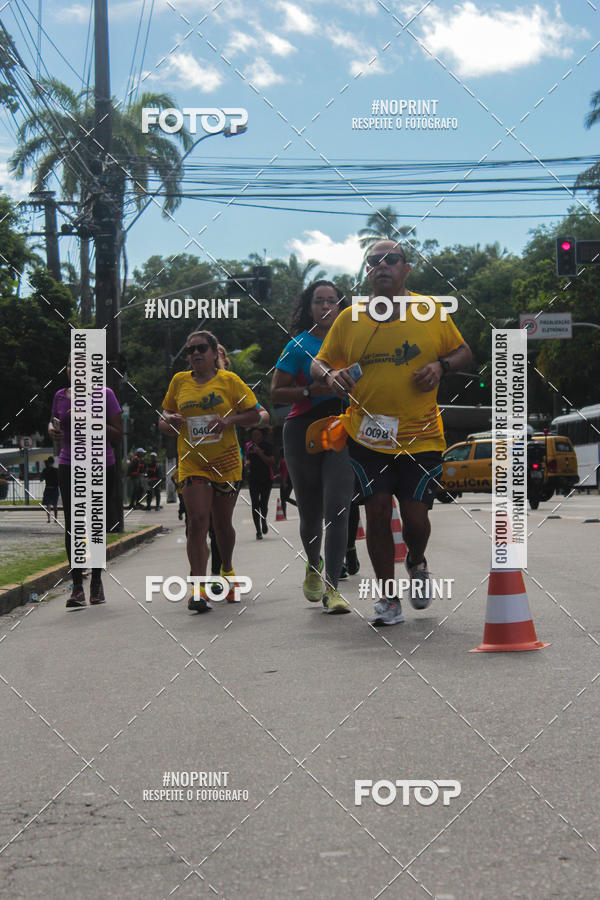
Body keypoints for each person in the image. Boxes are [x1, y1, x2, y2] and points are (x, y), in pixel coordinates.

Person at [311, 240, 472, 626]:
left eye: (390, 260)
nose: (381, 266)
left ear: (406, 268)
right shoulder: (350, 317)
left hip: (422, 434)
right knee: (378, 513)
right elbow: (318, 362)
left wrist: (441, 366)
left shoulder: (429, 310)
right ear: (367, 271)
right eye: (373, 262)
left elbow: (464, 350)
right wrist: (330, 374)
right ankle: (387, 599)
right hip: (367, 437)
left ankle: (416, 562)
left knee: (415, 518)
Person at [159, 330, 260, 612]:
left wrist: (229, 420)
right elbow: (163, 422)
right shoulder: (179, 382)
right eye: (190, 350)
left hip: (226, 462)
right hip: (193, 462)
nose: (195, 354)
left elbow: (254, 414)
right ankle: (198, 588)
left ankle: (227, 569)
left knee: (221, 525)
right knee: (197, 520)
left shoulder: (229, 381)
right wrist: (172, 421)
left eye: (201, 348)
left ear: (215, 353)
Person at [271, 280, 354, 614]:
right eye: (318, 301)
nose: (325, 306)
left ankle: (333, 588)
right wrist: (310, 392)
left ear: (341, 306)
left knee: (338, 507)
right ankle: (313, 563)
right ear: (309, 308)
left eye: (331, 301)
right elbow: (276, 392)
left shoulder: (354, 343)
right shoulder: (298, 345)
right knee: (310, 509)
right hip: (302, 429)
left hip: (342, 429)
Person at [49, 358, 123, 608]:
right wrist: (53, 430)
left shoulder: (106, 394)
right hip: (70, 464)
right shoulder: (60, 396)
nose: (75, 370)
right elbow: (55, 423)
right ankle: (78, 586)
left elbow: (117, 434)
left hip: (102, 464)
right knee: (74, 524)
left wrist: (88, 418)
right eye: (70, 365)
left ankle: (96, 583)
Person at [244, 427, 275, 539]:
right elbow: (247, 458)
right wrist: (246, 463)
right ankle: (258, 531)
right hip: (253, 479)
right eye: (253, 435)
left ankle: (264, 521)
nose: (256, 437)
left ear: (262, 435)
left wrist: (260, 453)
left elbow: (271, 462)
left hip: (267, 478)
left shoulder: (267, 446)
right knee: (255, 504)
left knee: (263, 504)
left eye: (258, 435)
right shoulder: (248, 446)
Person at [40, 456, 59, 523]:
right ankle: (55, 519)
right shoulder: (56, 470)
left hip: (48, 488)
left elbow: (41, 479)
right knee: (55, 505)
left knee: (48, 505)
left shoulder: (45, 470)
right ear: (53, 462)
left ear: (47, 463)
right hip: (55, 489)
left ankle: (48, 519)